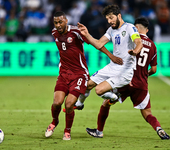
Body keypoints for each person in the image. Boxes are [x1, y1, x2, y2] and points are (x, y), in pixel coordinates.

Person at [86, 17, 169, 140]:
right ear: (147, 30)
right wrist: (144, 75)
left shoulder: (131, 39)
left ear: (135, 28)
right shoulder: (153, 46)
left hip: (125, 80)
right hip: (141, 84)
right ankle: (159, 128)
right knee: (147, 113)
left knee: (106, 104)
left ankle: (99, 131)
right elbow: (154, 70)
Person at [45, 11, 122, 140]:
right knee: (57, 102)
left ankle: (67, 131)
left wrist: (111, 56)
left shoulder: (76, 32)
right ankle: (54, 122)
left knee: (69, 105)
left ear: (66, 21)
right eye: (56, 23)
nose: (58, 25)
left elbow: (96, 44)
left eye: (60, 22)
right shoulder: (54, 33)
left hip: (79, 75)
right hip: (64, 73)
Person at [72, 5, 142, 114]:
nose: (109, 21)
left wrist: (135, 51)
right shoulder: (111, 30)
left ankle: (114, 97)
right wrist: (87, 34)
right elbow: (99, 43)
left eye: (111, 18)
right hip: (112, 67)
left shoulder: (129, 28)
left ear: (119, 15)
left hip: (125, 70)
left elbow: (139, 43)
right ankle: (79, 104)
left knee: (98, 90)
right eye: (107, 19)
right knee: (87, 85)